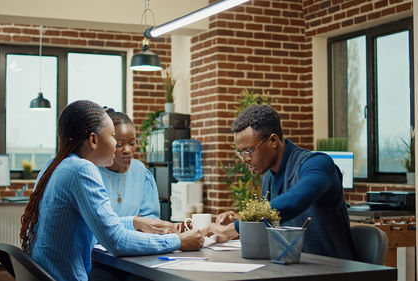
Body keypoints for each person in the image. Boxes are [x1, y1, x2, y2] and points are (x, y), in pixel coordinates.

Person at [20, 100, 203, 281]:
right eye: (114, 137)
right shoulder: (82, 170)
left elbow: (98, 224)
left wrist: (134, 222)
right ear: (93, 140)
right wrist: (179, 241)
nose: (118, 145)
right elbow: (117, 242)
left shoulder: (59, 165)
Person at [204, 104, 357, 260]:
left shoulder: (317, 164)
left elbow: (295, 199)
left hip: (332, 271)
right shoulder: (269, 178)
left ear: (273, 141)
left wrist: (235, 228)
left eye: (248, 151)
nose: (244, 159)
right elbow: (271, 224)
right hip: (289, 268)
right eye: (240, 152)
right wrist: (242, 220)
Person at [97, 108, 159, 218]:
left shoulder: (141, 172)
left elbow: (151, 217)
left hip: (135, 235)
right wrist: (135, 224)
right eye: (119, 144)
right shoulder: (93, 172)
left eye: (132, 143)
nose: (127, 150)